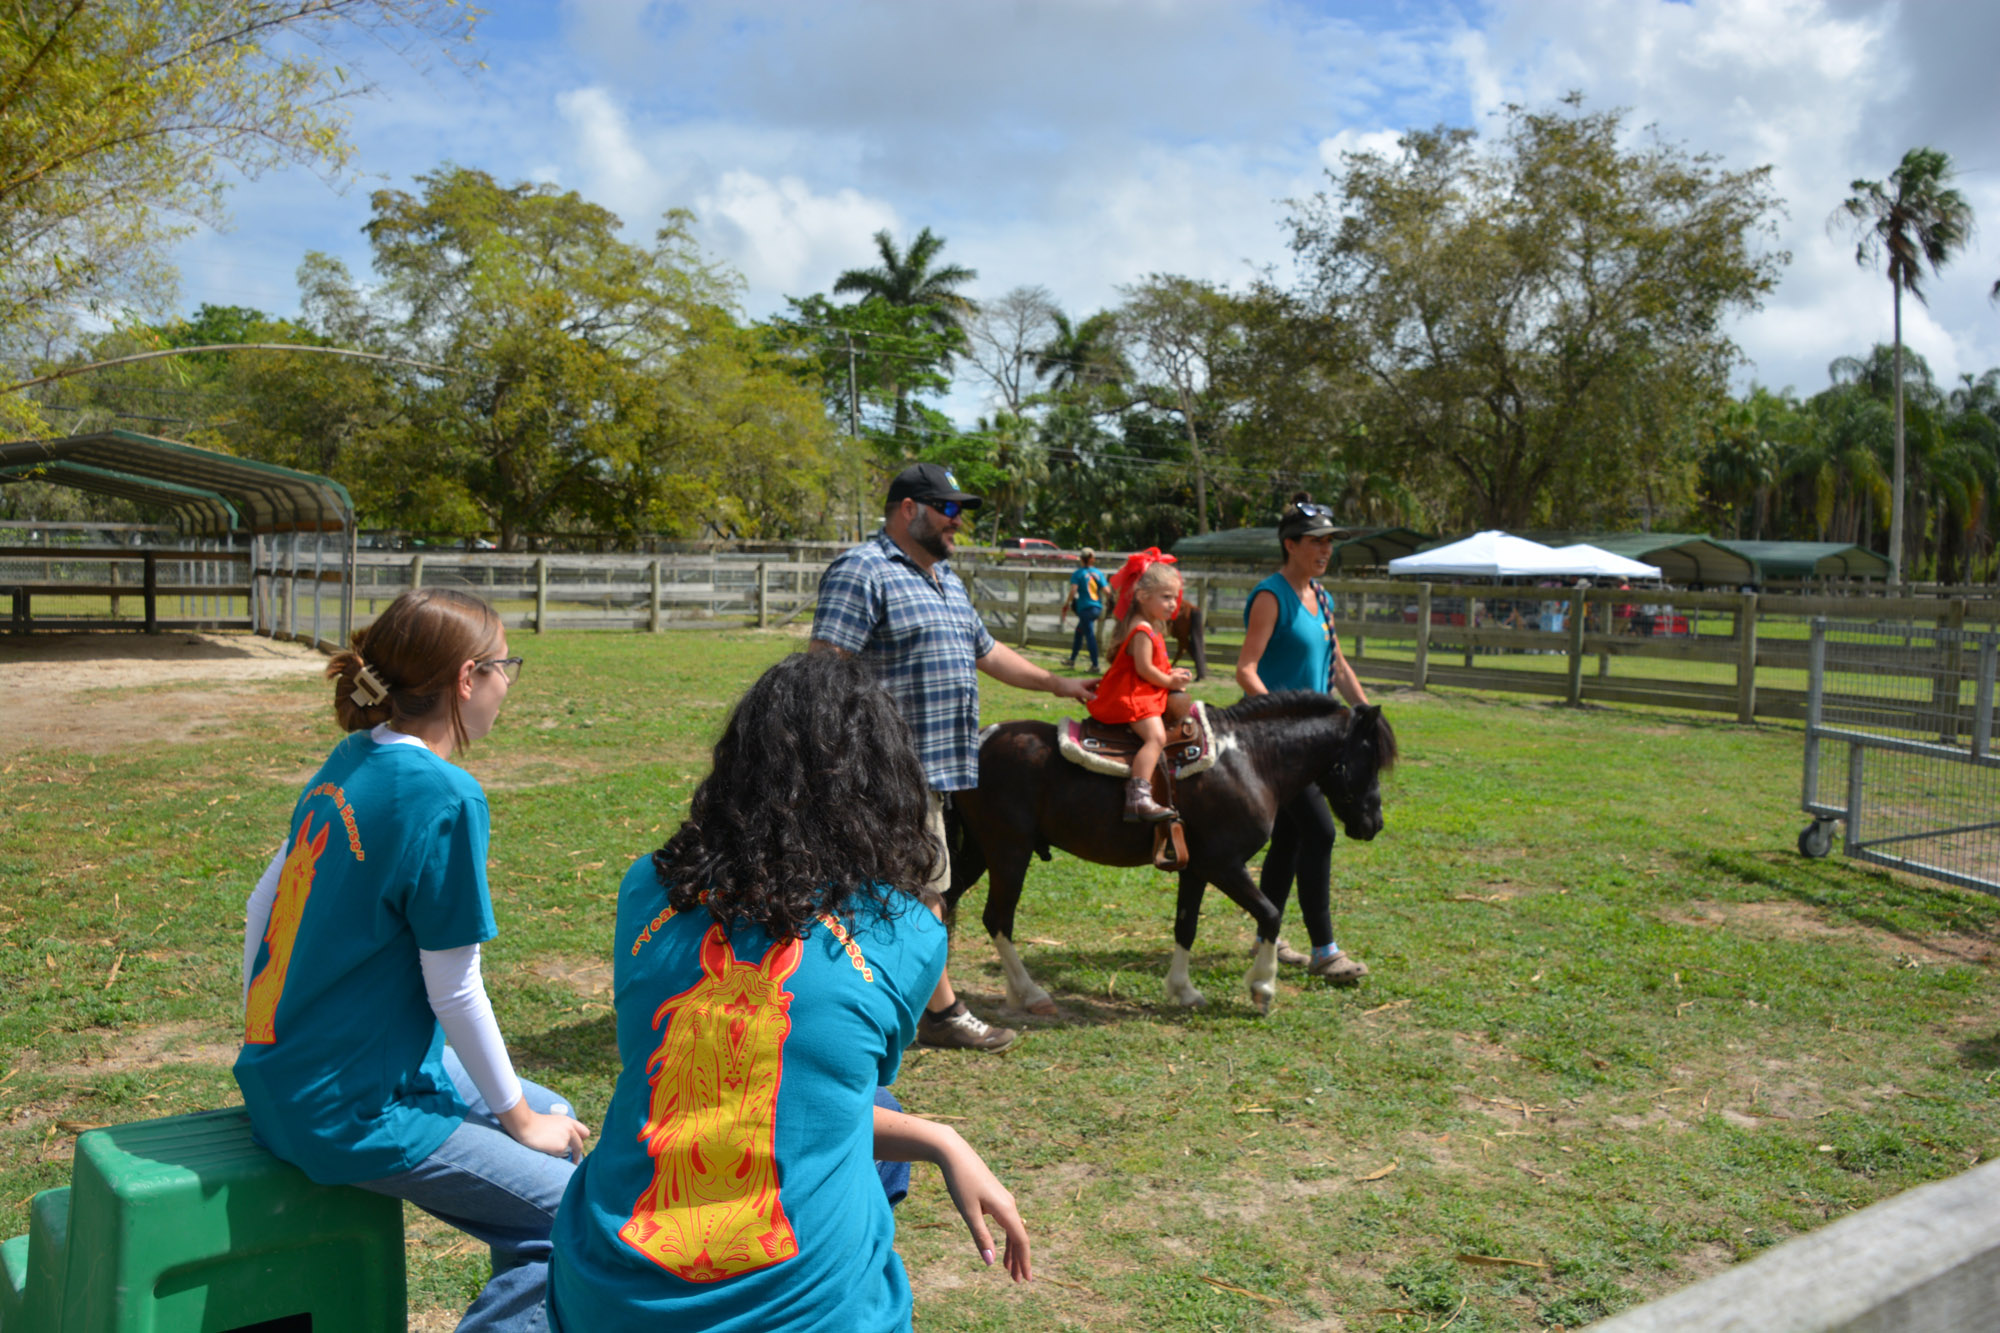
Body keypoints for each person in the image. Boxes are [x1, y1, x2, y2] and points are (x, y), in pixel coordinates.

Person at [545, 653, 1031, 1332]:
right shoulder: (913, 931)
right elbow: (832, 1098)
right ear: (887, 780)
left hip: (604, 1293)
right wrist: (942, 1138)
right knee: (868, 1114)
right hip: (808, 1315)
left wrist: (937, 1138)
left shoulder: (645, 888)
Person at [235, 588, 590, 1333]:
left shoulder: (351, 758)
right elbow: (456, 988)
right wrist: (517, 1121)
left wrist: (268, 1040)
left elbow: (260, 904)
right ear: (468, 678)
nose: (506, 685)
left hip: (293, 1076)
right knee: (580, 1215)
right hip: (352, 1108)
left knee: (561, 1116)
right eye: (505, 666)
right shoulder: (446, 796)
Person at [810, 462, 1096, 1053]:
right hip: (884, 769)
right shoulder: (864, 570)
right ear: (908, 509)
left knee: (908, 892)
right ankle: (936, 1012)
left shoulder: (945, 579)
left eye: (958, 510)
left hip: (937, 770)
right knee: (920, 894)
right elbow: (824, 669)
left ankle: (895, 1006)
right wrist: (843, 759)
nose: (957, 521)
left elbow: (987, 652)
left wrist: (1054, 683)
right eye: (947, 508)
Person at [1233, 495, 1372, 986]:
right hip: (1277, 745)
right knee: (1321, 832)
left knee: (1290, 839)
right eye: (1316, 541)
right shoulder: (1271, 596)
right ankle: (1325, 951)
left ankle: (1265, 938)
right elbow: (1246, 669)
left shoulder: (1324, 598)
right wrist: (1283, 721)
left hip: (1317, 743)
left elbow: (1337, 664)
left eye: (1330, 541)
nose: (1325, 549)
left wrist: (1365, 712)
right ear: (1290, 544)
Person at [1087, 560, 1191, 822]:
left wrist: (1170, 675)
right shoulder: (1142, 629)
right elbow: (1144, 669)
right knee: (1156, 738)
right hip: (1133, 694)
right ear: (1143, 596)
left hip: (1143, 689)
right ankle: (1139, 795)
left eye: (1175, 597)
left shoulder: (1149, 624)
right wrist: (1169, 682)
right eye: (1166, 597)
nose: (1173, 603)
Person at [1059, 547, 1106, 672]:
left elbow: (1073, 590)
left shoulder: (1078, 573)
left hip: (1085, 609)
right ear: (1092, 559)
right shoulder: (1098, 573)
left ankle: (1095, 665)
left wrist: (1067, 603)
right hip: (1096, 608)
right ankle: (1072, 660)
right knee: (1079, 633)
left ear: (1081, 559)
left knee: (1089, 636)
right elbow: (1107, 591)